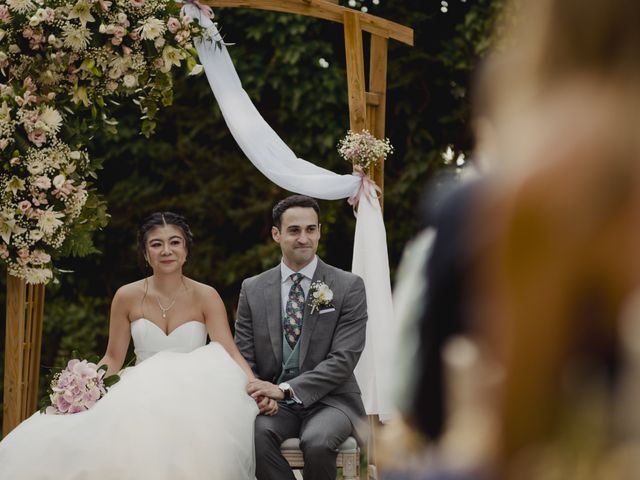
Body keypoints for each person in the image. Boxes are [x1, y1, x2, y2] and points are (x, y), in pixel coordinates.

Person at [0, 212, 263, 479]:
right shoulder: (126, 296)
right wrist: (84, 387)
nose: (166, 251)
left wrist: (255, 385)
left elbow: (229, 350)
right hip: (140, 390)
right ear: (146, 254)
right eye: (156, 244)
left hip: (197, 394)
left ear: (186, 250)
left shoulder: (206, 295)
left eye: (175, 242)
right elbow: (113, 357)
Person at [234, 194, 368, 480]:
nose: (303, 238)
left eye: (310, 229)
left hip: (333, 401)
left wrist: (284, 389)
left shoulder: (348, 286)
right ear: (276, 234)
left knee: (317, 442)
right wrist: (260, 395)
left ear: (319, 231)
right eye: (294, 230)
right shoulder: (253, 289)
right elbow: (243, 355)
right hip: (275, 406)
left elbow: (344, 359)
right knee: (256, 437)